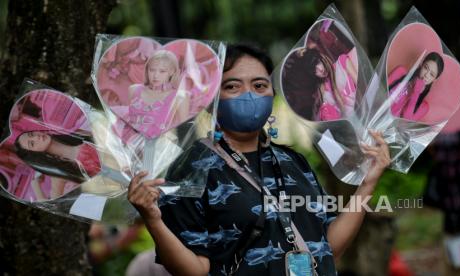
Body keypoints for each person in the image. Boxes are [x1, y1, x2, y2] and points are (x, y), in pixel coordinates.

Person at [128, 44, 390, 275]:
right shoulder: (192, 168)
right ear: (211, 99)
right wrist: (152, 220)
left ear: (272, 95)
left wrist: (367, 183)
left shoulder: (292, 161)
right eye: (232, 86)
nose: (249, 94)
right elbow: (195, 270)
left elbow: (328, 247)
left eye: (259, 85)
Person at [15, 130, 100, 199]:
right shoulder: (60, 173)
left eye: (31, 134)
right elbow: (53, 205)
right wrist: (36, 186)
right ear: (35, 155)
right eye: (32, 143)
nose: (36, 137)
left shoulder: (75, 134)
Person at [283, 47, 357, 121]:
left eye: (318, 62)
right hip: (350, 124)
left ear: (321, 57)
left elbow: (361, 84)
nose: (320, 70)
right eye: (315, 71)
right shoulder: (322, 91)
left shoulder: (342, 62)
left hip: (363, 107)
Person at [128, 50, 189, 137]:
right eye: (152, 70)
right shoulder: (133, 90)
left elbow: (184, 132)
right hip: (129, 143)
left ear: (172, 72)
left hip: (162, 147)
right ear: (147, 69)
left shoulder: (180, 96)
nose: (156, 75)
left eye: (162, 71)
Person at [388, 52, 444, 121]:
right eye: (426, 68)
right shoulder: (400, 72)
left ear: (434, 79)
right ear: (421, 64)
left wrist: (416, 92)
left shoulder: (423, 107)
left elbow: (405, 120)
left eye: (431, 74)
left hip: (386, 129)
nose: (426, 75)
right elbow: (380, 89)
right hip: (374, 109)